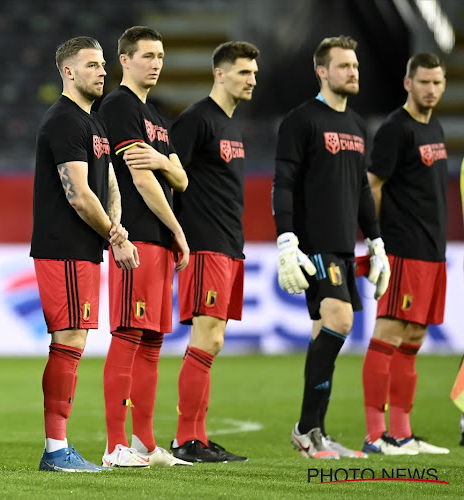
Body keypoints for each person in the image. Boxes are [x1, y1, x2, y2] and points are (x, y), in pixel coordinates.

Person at [272, 35, 389, 459]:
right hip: (314, 243)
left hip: (343, 246)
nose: (353, 72)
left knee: (327, 331)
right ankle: (306, 429)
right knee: (339, 320)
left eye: (355, 65)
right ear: (322, 71)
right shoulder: (301, 120)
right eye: (344, 66)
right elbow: (283, 181)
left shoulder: (358, 126)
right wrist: (286, 239)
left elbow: (361, 189)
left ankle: (315, 432)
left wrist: (375, 240)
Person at [30, 36, 139, 473]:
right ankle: (56, 449)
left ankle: (59, 446)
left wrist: (117, 225)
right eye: (92, 64)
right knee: (69, 341)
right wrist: (116, 237)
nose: (102, 71)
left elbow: (107, 181)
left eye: (103, 64)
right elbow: (78, 194)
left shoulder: (93, 124)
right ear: (68, 72)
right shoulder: (63, 121)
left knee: (73, 341)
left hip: (83, 249)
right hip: (64, 247)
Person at [97, 26, 191, 468]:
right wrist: (177, 228)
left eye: (161, 55)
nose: (156, 63)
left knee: (152, 341)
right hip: (134, 236)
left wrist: (163, 161)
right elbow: (141, 177)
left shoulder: (155, 115)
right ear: (125, 60)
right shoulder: (118, 107)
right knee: (129, 334)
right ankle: (116, 445)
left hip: (156, 242)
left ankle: (146, 444)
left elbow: (182, 177)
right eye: (148, 55)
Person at [168, 41, 259, 463]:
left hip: (229, 246)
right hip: (204, 244)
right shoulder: (196, 121)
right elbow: (170, 178)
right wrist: (176, 235)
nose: (252, 80)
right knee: (207, 336)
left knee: (214, 341)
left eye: (254, 73)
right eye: (244, 72)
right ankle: (186, 440)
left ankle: (198, 437)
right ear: (219, 73)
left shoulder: (232, 126)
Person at [360, 53, 449, 455]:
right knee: (389, 335)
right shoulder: (395, 129)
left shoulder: (437, 127)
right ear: (407, 83)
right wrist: (377, 240)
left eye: (437, 82)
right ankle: (376, 434)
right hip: (402, 249)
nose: (431, 89)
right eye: (424, 82)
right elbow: (372, 185)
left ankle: (402, 432)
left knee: (414, 337)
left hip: (432, 252)